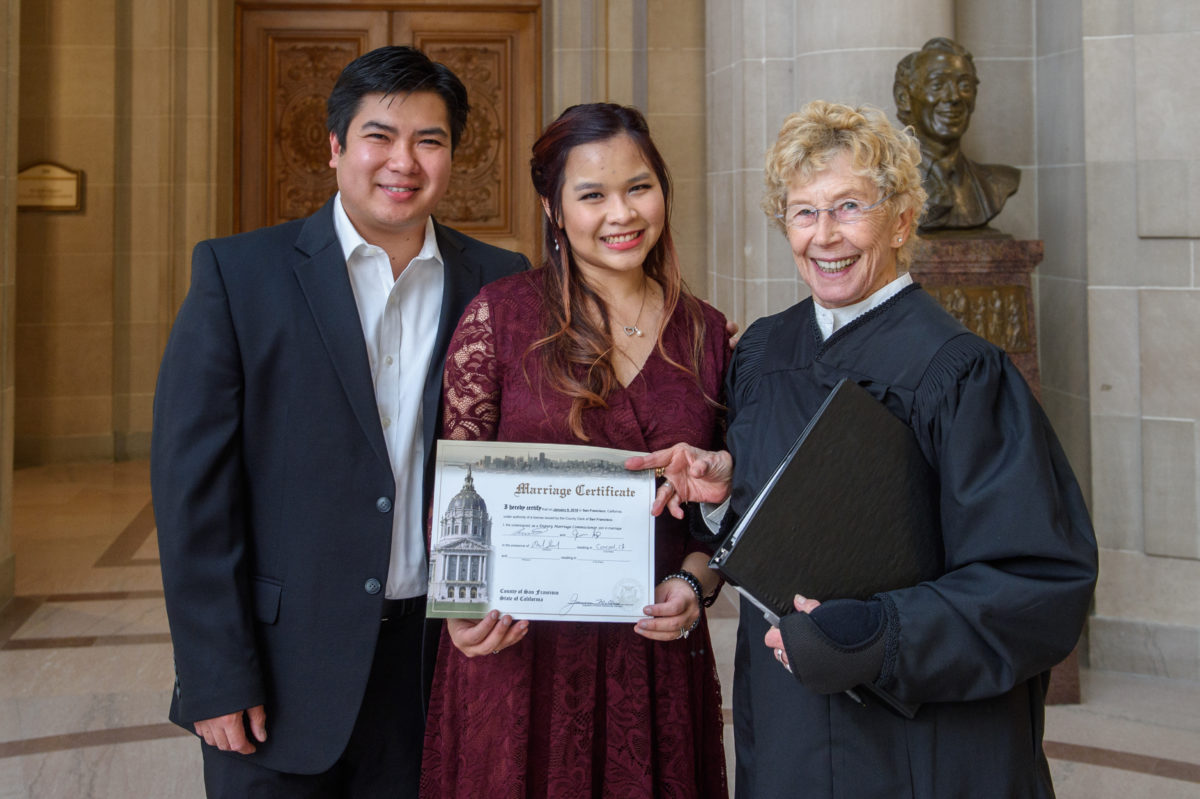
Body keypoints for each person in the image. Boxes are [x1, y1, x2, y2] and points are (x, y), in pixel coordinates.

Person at [628, 101, 1098, 798]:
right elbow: (771, 523)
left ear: (902, 218)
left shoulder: (958, 372)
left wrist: (879, 632)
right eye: (803, 211)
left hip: (922, 742)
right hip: (791, 725)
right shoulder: (763, 351)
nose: (825, 236)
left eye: (850, 206)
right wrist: (728, 488)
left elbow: (1040, 580)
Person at [151, 46, 530, 797]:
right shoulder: (239, 275)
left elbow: (520, 453)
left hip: (435, 659)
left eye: (430, 140)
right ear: (335, 148)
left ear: (454, 155)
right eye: (379, 136)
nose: (403, 162)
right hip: (277, 670)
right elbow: (192, 493)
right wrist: (214, 674)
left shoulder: (501, 280)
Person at [419, 102, 729, 798]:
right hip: (517, 652)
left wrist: (695, 584)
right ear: (554, 209)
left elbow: (724, 511)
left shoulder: (709, 336)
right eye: (592, 194)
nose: (621, 213)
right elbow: (453, 486)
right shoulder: (499, 319)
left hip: (651, 656)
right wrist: (461, 609)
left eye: (638, 186)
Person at [894, 37, 1020, 231]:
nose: (954, 97)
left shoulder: (997, 183)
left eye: (964, 86)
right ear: (904, 98)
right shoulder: (886, 184)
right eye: (937, 85)